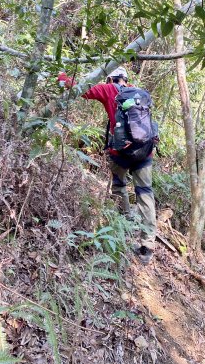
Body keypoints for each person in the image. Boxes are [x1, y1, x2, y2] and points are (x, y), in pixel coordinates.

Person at [58, 67, 157, 265]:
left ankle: (124, 222)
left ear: (110, 77)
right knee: (145, 193)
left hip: (119, 154)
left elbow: (79, 89)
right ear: (126, 79)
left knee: (119, 187)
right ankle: (147, 246)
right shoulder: (140, 93)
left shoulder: (108, 89)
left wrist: (61, 76)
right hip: (144, 153)